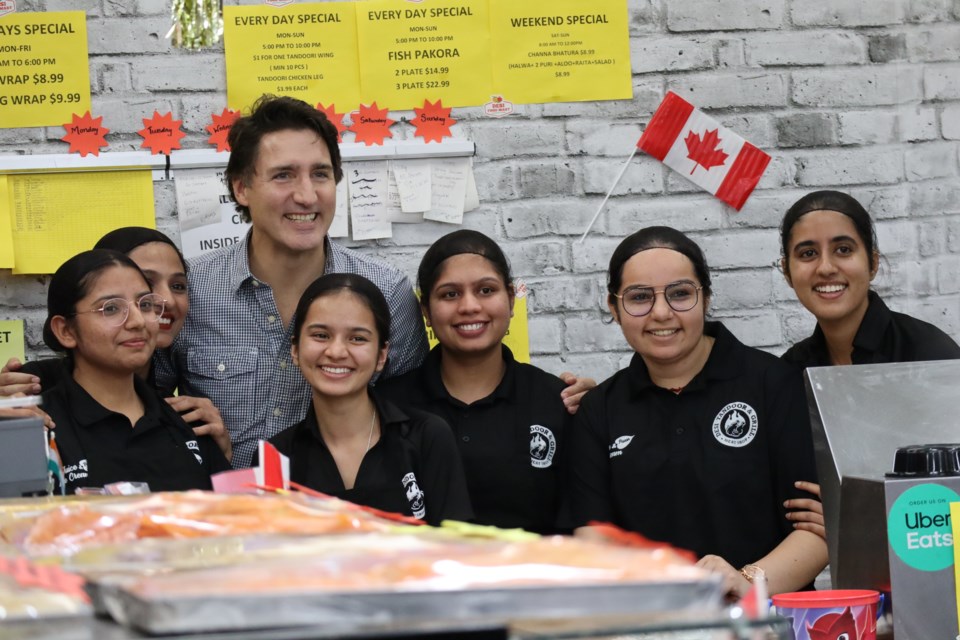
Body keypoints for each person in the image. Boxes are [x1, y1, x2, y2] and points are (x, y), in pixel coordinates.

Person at [153, 95, 430, 468]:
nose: (306, 195)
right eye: (283, 175)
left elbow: (412, 427)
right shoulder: (192, 291)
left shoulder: (387, 291)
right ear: (241, 189)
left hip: (343, 514)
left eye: (320, 174)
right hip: (224, 514)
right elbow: (139, 405)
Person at [563, 226, 827, 597]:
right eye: (639, 298)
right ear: (614, 308)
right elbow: (593, 543)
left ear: (705, 297)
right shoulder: (598, 412)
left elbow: (819, 529)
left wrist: (747, 580)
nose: (660, 313)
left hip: (768, 622)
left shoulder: (775, 384)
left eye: (680, 294)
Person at [778, 190, 960, 537]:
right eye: (808, 253)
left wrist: (853, 519)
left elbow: (951, 494)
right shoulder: (791, 372)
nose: (826, 267)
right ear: (787, 272)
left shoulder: (928, 355)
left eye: (843, 249)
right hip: (853, 582)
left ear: (873, 262)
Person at [377, 230, 573, 534]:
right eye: (450, 294)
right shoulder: (385, 407)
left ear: (510, 300)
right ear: (426, 312)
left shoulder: (558, 401)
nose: (469, 306)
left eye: (485, 290)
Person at [0, 227, 232, 461]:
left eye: (179, 286)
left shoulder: (178, 407)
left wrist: (218, 453)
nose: (166, 301)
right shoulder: (35, 387)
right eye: (112, 306)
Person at [265, 273, 473, 526]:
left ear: (381, 355)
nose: (337, 352)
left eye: (358, 338)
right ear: (295, 349)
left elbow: (458, 549)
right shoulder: (274, 458)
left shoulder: (427, 437)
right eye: (320, 335)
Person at [40, 249, 231, 494]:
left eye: (145, 304)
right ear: (65, 330)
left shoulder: (185, 420)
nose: (138, 321)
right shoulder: (41, 426)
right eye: (110, 309)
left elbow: (228, 519)